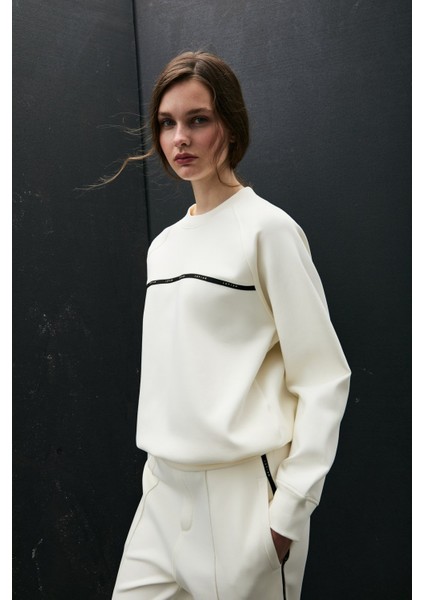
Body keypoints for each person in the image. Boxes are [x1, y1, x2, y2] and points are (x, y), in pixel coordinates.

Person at [111, 50, 351, 600]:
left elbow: (323, 377)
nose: (180, 138)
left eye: (198, 119)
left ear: (231, 124)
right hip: (163, 495)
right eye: (167, 123)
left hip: (243, 499)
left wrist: (287, 512)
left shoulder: (268, 231)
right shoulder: (163, 247)